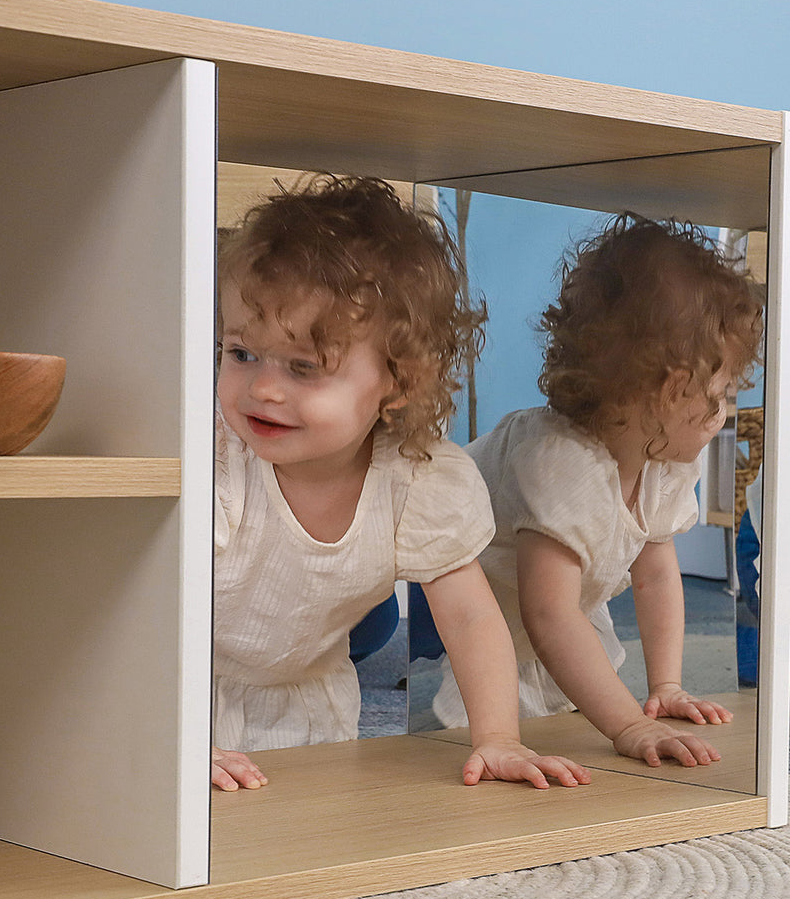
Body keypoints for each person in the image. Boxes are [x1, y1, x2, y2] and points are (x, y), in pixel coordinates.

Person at [212, 174, 590, 793]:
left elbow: (469, 616)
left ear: (401, 382)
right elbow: (136, 612)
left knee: (306, 847)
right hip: (172, 684)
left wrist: (498, 737)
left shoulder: (417, 482)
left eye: (304, 367)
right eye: (241, 353)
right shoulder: (220, 459)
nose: (264, 388)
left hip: (310, 697)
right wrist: (169, 734)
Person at [433, 214, 765, 768]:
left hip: (564, 593)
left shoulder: (663, 456)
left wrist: (667, 684)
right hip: (483, 591)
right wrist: (628, 725)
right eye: (721, 393)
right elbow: (549, 615)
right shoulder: (564, 462)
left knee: (564, 704)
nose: (725, 412)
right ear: (660, 390)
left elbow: (656, 573)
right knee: (493, 716)